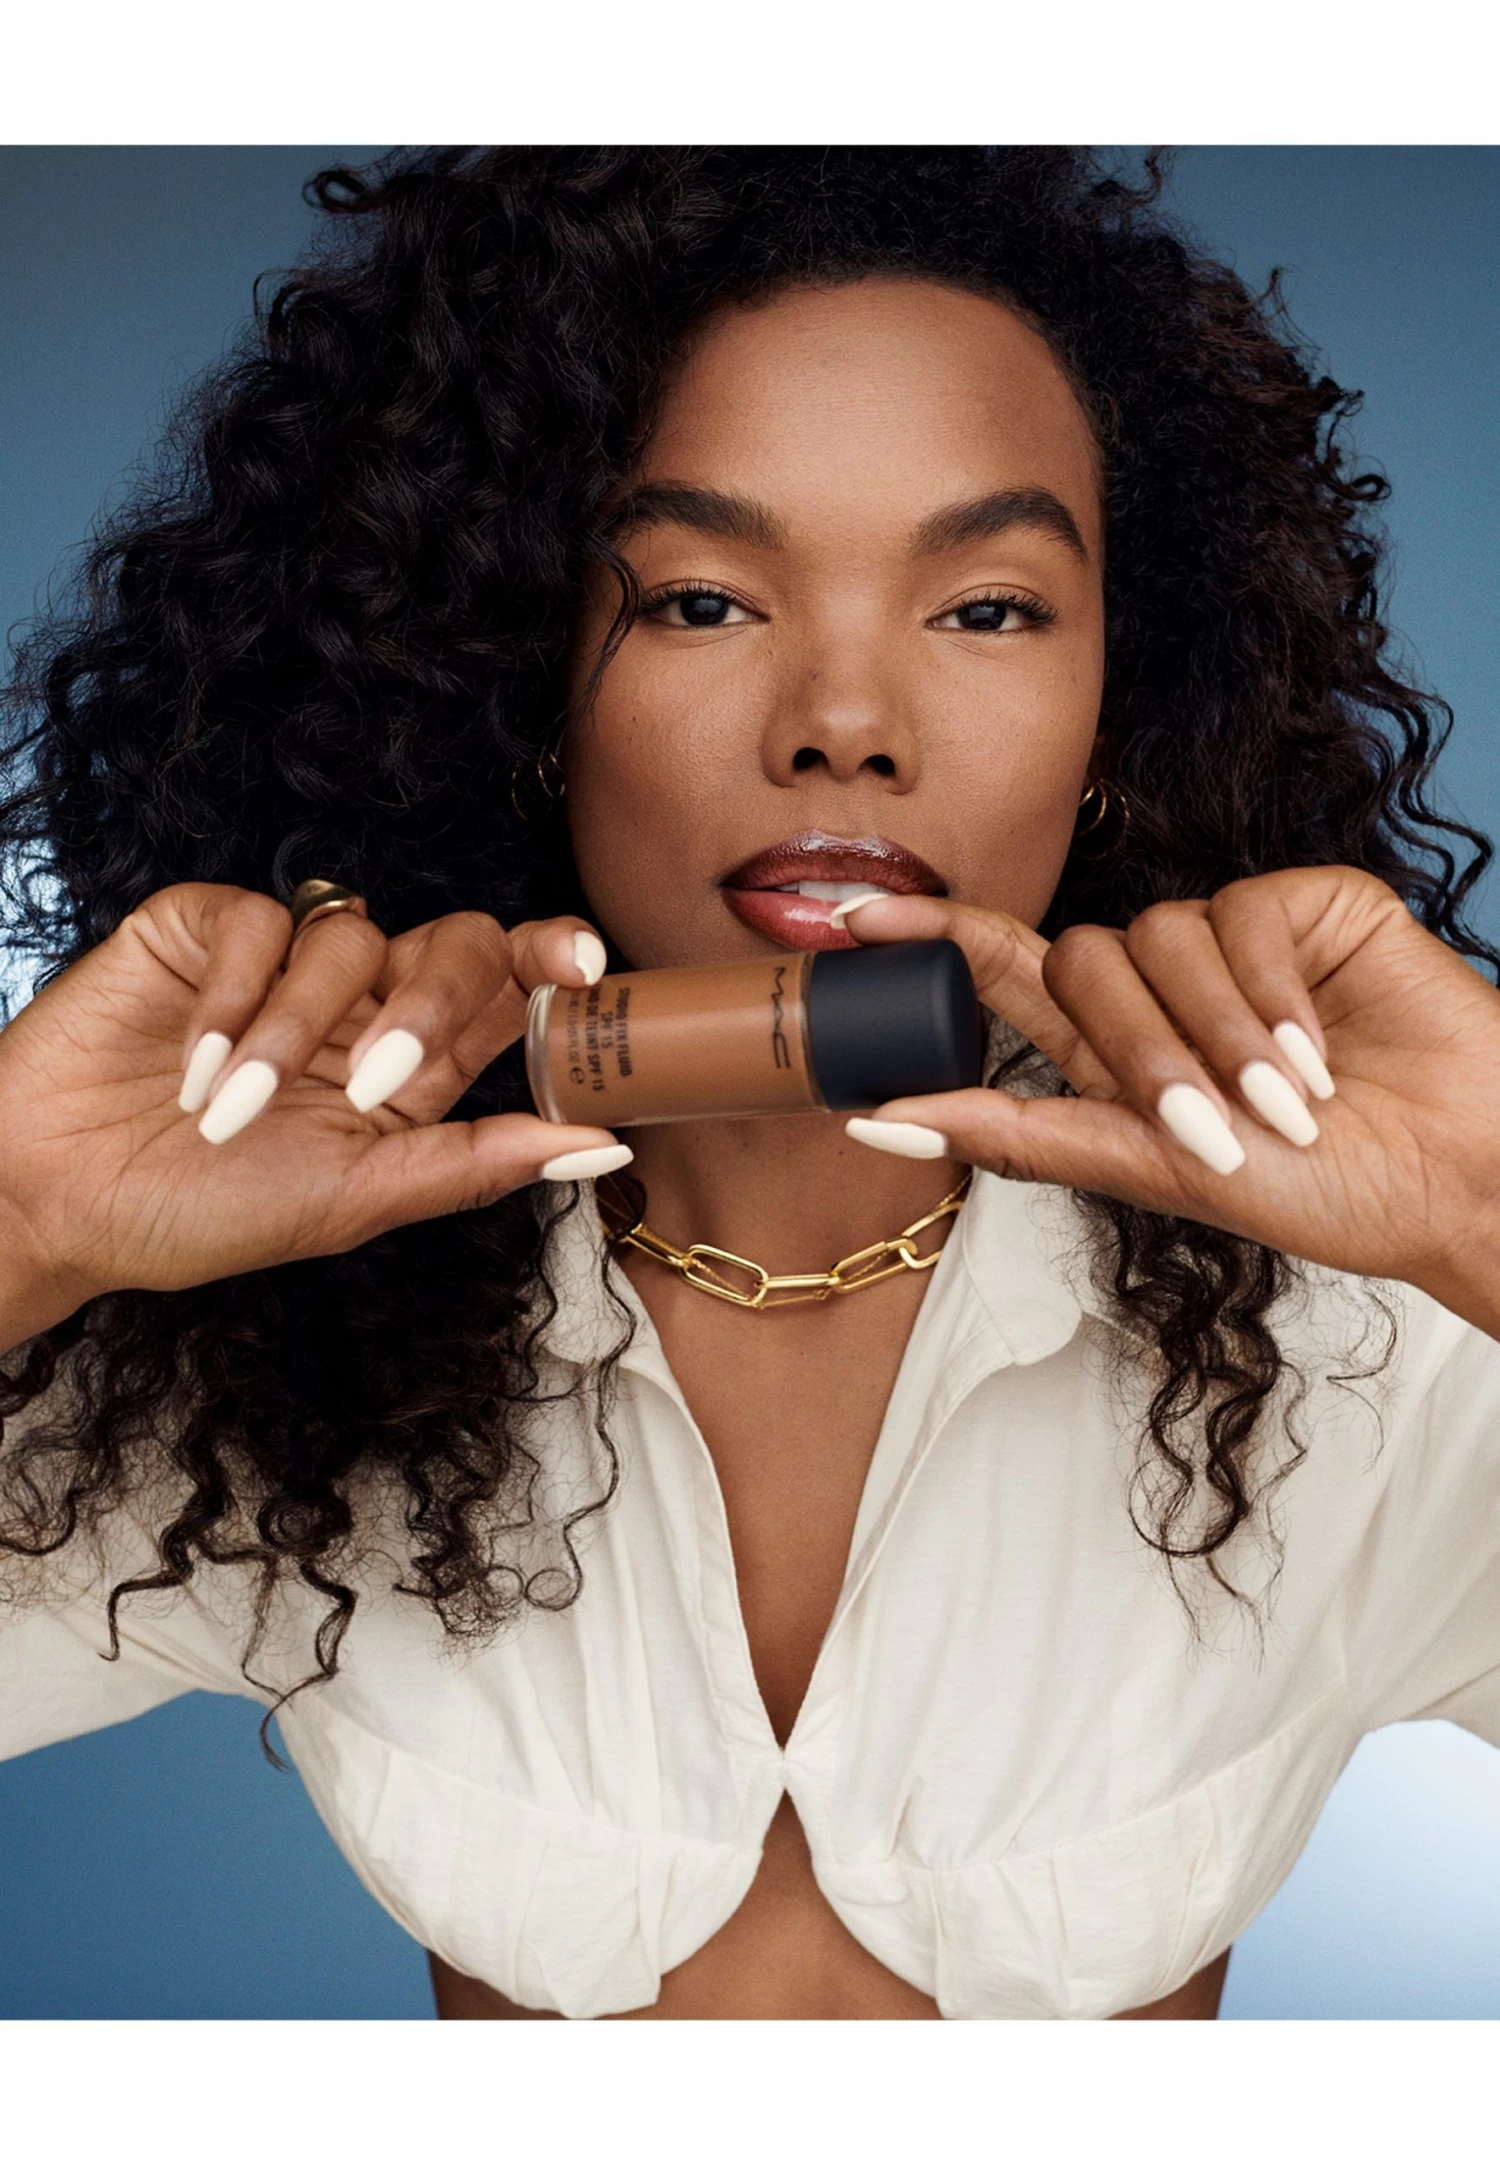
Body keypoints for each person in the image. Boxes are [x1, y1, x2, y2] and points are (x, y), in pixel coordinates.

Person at [3, 145, 1500, 2023]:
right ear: (518, 682)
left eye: (989, 607)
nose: (842, 722)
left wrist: (1489, 1207)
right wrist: (22, 1215)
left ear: (1123, 708)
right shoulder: (286, 1328)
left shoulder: (1365, 1333)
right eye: (703, 600)